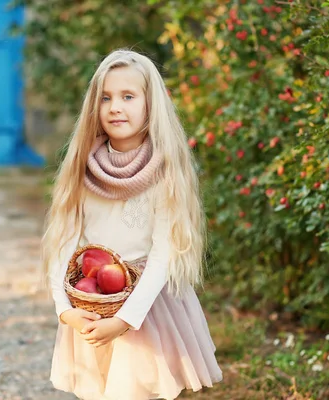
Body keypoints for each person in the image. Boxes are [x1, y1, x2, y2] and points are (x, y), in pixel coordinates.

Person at [41, 49, 222, 400]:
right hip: (92, 303)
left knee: (137, 392)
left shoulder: (165, 171)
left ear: (150, 104)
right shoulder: (83, 166)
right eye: (106, 97)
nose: (115, 107)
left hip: (147, 305)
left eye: (128, 96)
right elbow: (63, 241)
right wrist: (66, 311)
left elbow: (164, 253)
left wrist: (125, 319)